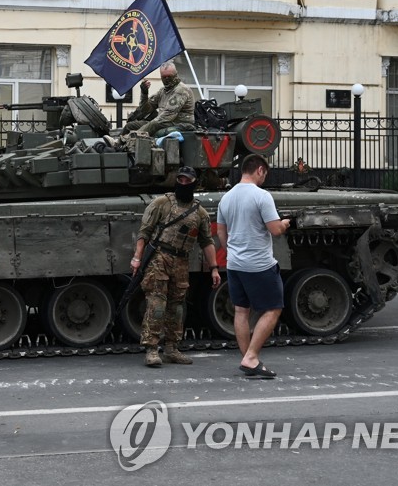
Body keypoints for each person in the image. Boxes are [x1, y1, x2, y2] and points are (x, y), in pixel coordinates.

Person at [132, 166, 220, 367]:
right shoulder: (162, 203)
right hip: (160, 257)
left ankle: (172, 347)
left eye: (187, 181)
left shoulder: (200, 213)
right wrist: (137, 258)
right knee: (157, 303)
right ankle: (152, 349)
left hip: (182, 260)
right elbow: (144, 233)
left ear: (194, 183)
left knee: (177, 306)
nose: (183, 183)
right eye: (180, 180)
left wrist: (214, 268)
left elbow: (207, 241)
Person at [216, 154, 291, 379]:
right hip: (259, 265)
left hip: (235, 264)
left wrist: (232, 253)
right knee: (273, 308)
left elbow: (221, 232)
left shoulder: (226, 198)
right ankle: (251, 357)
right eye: (264, 174)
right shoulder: (262, 196)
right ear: (259, 170)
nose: (264, 178)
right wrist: (285, 223)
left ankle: (248, 358)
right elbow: (275, 230)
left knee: (241, 310)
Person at [120, 62, 195, 139]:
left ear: (176, 74)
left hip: (178, 123)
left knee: (153, 124)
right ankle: (119, 144)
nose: (167, 79)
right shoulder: (163, 91)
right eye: (164, 77)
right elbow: (145, 110)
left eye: (169, 76)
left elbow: (167, 116)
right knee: (130, 126)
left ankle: (127, 139)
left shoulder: (181, 90)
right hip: (164, 123)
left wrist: (141, 131)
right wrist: (144, 93)